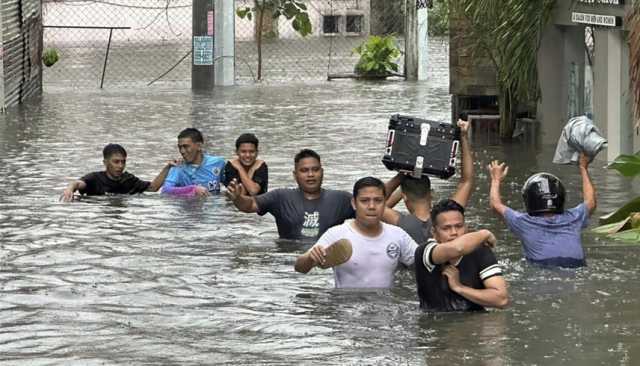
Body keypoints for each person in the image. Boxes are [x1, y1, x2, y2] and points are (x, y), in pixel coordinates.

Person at [294, 176, 418, 288]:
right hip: (347, 308)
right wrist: (310, 258)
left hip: (385, 308)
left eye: (378, 200)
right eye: (364, 201)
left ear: (384, 203)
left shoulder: (397, 235)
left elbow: (423, 261)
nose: (371, 206)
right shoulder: (337, 234)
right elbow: (300, 268)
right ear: (354, 203)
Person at [488, 153, 596, 268]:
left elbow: (495, 205)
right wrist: (583, 168)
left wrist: (496, 180)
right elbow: (590, 201)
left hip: (543, 266)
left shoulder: (523, 222)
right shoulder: (574, 218)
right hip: (576, 264)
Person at [226, 149, 354, 240]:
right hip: (289, 264)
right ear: (295, 175)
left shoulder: (341, 199)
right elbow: (249, 205)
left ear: (322, 172)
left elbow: (370, 216)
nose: (310, 175)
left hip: (326, 263)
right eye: (304, 170)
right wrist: (238, 198)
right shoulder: (281, 197)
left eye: (315, 170)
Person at [382, 118, 473, 244]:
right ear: (431, 194)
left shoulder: (400, 223)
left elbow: (376, 201)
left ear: (404, 197)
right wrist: (463, 136)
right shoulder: (448, 218)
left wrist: (401, 175)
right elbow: (466, 181)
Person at [415, 199, 509, 312]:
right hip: (436, 324)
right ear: (434, 233)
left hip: (475, 323)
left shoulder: (480, 251)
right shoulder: (424, 251)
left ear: (466, 228)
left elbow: (501, 300)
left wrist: (459, 288)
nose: (454, 232)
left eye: (459, 226)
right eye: (446, 228)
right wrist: (485, 233)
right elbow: (457, 248)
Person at [60, 143, 174, 201]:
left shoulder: (128, 180)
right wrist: (70, 189)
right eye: (116, 162)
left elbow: (153, 188)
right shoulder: (95, 178)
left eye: (123, 162)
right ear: (105, 162)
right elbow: (78, 183)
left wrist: (168, 167)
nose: (120, 166)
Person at [161, 128, 226, 197]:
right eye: (180, 147)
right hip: (190, 206)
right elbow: (165, 190)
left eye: (186, 146)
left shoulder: (218, 162)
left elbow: (230, 184)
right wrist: (192, 189)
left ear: (199, 146)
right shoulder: (178, 167)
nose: (182, 151)